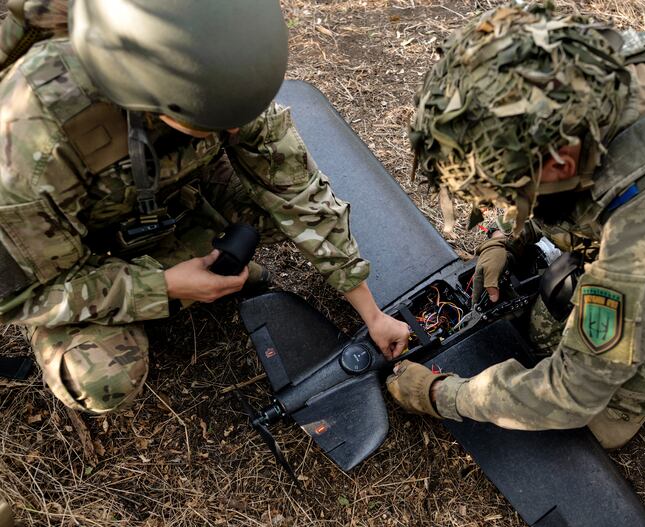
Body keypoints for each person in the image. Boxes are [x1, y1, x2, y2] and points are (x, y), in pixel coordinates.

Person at [388, 2, 645, 448]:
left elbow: (570, 395)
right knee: (549, 320)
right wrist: (505, 235)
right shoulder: (587, 76)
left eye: (509, 190)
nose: (507, 200)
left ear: (562, 162)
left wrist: (442, 395)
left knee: (614, 401)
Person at [0, 0, 409, 415]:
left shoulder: (221, 66)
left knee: (274, 215)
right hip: (64, 256)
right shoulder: (29, 147)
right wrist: (161, 287)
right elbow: (18, 296)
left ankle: (184, 251)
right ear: (145, 90)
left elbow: (296, 189)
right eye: (214, 122)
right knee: (102, 378)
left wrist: (370, 312)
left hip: (161, 194)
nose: (234, 131)